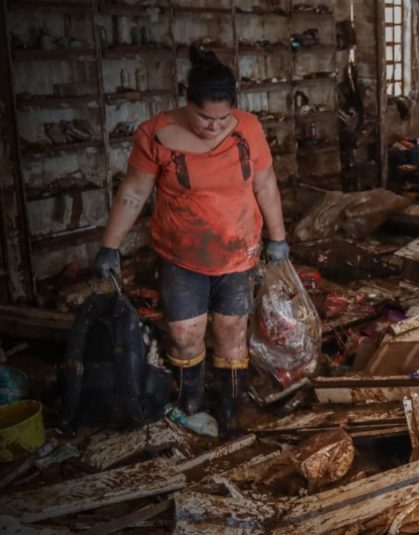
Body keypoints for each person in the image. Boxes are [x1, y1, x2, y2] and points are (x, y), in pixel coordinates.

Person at [94, 46, 287, 436]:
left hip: (237, 252)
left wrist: (277, 237)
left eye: (222, 117)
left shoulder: (248, 129)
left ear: (234, 106)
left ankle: (230, 408)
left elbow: (265, 184)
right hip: (181, 255)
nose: (214, 126)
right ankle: (190, 403)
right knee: (185, 334)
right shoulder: (155, 133)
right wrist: (109, 245)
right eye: (204, 117)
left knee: (231, 330)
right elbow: (133, 192)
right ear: (187, 101)